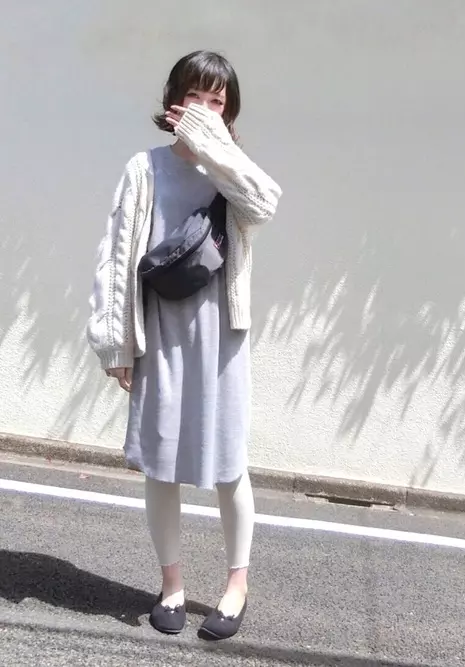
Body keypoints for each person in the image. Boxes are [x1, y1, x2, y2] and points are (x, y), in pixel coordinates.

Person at [86, 50, 282, 640]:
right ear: (173, 99)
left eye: (216, 101)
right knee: (161, 462)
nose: (203, 108)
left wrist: (215, 149)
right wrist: (117, 343)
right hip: (160, 333)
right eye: (194, 96)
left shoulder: (233, 170)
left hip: (221, 334)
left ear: (229, 112)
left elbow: (264, 205)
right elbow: (116, 257)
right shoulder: (143, 169)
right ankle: (170, 585)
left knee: (229, 463)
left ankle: (236, 585)